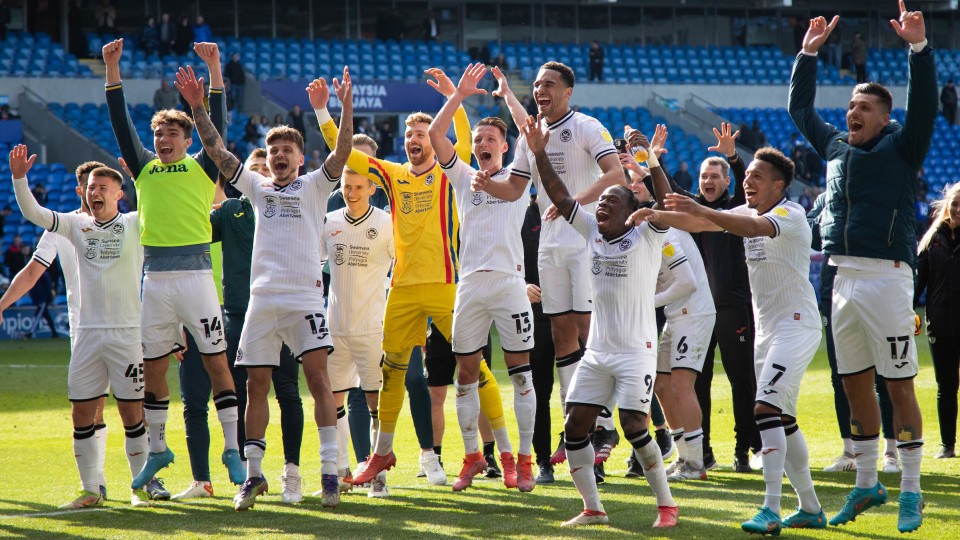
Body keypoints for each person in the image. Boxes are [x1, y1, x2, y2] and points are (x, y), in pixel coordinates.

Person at [177, 63, 352, 510]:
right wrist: (198, 109)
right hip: (262, 301)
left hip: (306, 300)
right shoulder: (256, 188)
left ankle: (329, 472)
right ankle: (254, 477)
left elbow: (344, 151)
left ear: (300, 157)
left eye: (287, 149)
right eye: (273, 148)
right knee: (256, 386)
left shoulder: (316, 184)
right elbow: (216, 151)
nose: (278, 155)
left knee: (318, 382)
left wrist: (338, 108)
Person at [789, 6, 937, 533]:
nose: (853, 110)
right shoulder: (833, 148)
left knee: (898, 387)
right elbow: (800, 110)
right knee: (852, 386)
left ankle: (912, 492)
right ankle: (867, 485)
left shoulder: (903, 147)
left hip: (887, 278)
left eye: (864, 107)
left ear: (884, 118)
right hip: (840, 277)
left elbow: (925, 106)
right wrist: (807, 54)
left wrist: (919, 50)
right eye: (851, 104)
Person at [500, 114, 676, 528]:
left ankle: (667, 505)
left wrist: (649, 160)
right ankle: (593, 508)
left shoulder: (648, 234)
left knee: (634, 424)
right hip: (597, 352)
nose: (601, 207)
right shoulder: (592, 232)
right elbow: (561, 197)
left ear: (632, 211)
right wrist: (540, 153)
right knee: (575, 425)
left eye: (611, 202)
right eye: (600, 203)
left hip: (636, 352)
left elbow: (665, 203)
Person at [643, 147, 825, 535]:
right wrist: (655, 214)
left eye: (756, 177)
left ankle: (771, 508)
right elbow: (699, 223)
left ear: (779, 185)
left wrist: (705, 213)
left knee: (765, 409)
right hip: (767, 331)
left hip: (797, 325)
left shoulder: (789, 215)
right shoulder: (745, 213)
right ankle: (810, 507)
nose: (748, 181)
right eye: (748, 176)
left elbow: (745, 227)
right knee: (784, 421)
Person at [314, 67, 473, 488]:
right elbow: (341, 150)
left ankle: (467, 455)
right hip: (390, 301)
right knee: (386, 384)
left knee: (456, 371)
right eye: (411, 135)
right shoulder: (384, 182)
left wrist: (455, 99)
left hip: (436, 287)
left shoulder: (444, 175)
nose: (416, 139)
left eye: (424, 133)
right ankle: (367, 462)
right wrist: (324, 113)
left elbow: (464, 144)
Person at [104, 39, 243, 490]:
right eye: (159, 135)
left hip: (198, 279)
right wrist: (113, 69)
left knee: (218, 366)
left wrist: (216, 72)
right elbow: (121, 123)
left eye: (171, 136)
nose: (162, 141)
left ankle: (232, 451)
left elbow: (216, 128)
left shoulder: (205, 168)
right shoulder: (143, 168)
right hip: (156, 281)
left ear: (187, 141)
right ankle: (159, 449)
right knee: (154, 372)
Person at [473, 62, 624, 466]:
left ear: (568, 91)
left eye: (549, 84)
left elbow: (616, 172)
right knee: (561, 334)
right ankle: (577, 423)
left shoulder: (589, 127)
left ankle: (603, 420)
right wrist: (488, 183)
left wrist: (575, 203)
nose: (541, 90)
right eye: (537, 84)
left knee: (590, 329)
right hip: (550, 246)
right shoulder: (529, 137)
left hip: (585, 239)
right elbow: (516, 188)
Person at [11, 146, 150, 509]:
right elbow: (33, 213)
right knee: (82, 413)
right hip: (86, 332)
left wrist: (141, 177)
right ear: (83, 192)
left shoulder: (136, 223)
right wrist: (19, 178)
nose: (96, 191)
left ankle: (141, 486)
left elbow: (163, 206)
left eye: (104, 186)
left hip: (126, 332)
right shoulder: (74, 225)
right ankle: (91, 489)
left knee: (132, 413)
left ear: (119, 193)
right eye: (91, 186)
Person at [426, 64, 537, 492]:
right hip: (470, 284)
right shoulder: (462, 176)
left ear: (504, 147)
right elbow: (438, 136)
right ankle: (473, 457)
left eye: (490, 139)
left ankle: (524, 460)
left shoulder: (519, 177)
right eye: (477, 140)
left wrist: (507, 95)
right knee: (465, 375)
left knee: (522, 375)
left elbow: (529, 129)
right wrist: (459, 97)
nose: (482, 144)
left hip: (510, 285)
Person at [173, 148, 305, 504]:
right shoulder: (231, 211)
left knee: (289, 393)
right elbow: (192, 233)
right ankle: (252, 472)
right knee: (246, 393)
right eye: (254, 169)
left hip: (287, 309)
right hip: (238, 313)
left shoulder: (296, 203)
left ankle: (293, 472)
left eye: (266, 168)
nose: (261, 173)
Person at [655, 123, 760, 472]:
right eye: (704, 176)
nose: (708, 181)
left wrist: (732, 155)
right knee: (694, 383)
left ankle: (746, 449)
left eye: (716, 176)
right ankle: (704, 453)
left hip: (733, 307)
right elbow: (666, 191)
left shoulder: (736, 207)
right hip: (698, 310)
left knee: (741, 379)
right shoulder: (691, 210)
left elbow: (750, 189)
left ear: (727, 181)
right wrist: (652, 160)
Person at [622, 126, 716, 482]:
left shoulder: (667, 227)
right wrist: (641, 158)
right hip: (678, 314)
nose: (632, 185)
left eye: (637, 183)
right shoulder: (651, 224)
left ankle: (696, 463)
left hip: (693, 312)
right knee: (661, 386)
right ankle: (683, 455)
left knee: (680, 385)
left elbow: (687, 281)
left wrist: (647, 301)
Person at [808, 192, 901, 476]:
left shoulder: (877, 191)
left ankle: (891, 451)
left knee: (885, 373)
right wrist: (824, 220)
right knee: (841, 376)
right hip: (833, 292)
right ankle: (850, 450)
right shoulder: (824, 200)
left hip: (874, 288)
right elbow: (812, 239)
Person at [323, 145, 394, 497]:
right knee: (334, 401)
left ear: (372, 189)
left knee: (375, 402)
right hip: (335, 327)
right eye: (346, 187)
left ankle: (378, 473)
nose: (351, 193)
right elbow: (312, 265)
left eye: (358, 187)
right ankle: (339, 469)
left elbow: (401, 270)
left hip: (372, 328)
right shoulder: (330, 222)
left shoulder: (385, 223)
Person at [915, 183, 960, 460]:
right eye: (954, 203)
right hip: (940, 324)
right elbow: (919, 282)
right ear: (947, 204)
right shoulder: (932, 240)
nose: (958, 210)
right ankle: (948, 446)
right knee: (946, 387)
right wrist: (906, 309)